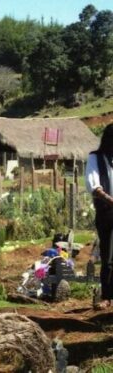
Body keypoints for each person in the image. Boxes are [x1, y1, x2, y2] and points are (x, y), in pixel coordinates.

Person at [85, 123, 113, 308]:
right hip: (107, 213)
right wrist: (110, 200)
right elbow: (94, 186)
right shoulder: (95, 158)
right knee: (108, 256)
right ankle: (107, 296)